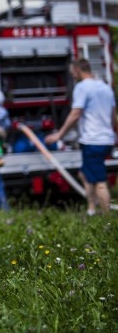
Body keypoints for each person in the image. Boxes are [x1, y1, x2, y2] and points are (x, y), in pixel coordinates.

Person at [45, 59, 116, 216]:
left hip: (93, 140)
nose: (71, 74)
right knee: (84, 173)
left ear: (77, 70)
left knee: (99, 181)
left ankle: (107, 217)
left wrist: (59, 134)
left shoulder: (82, 87)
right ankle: (91, 208)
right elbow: (112, 115)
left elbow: (75, 114)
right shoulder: (105, 87)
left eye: (72, 71)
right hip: (106, 139)